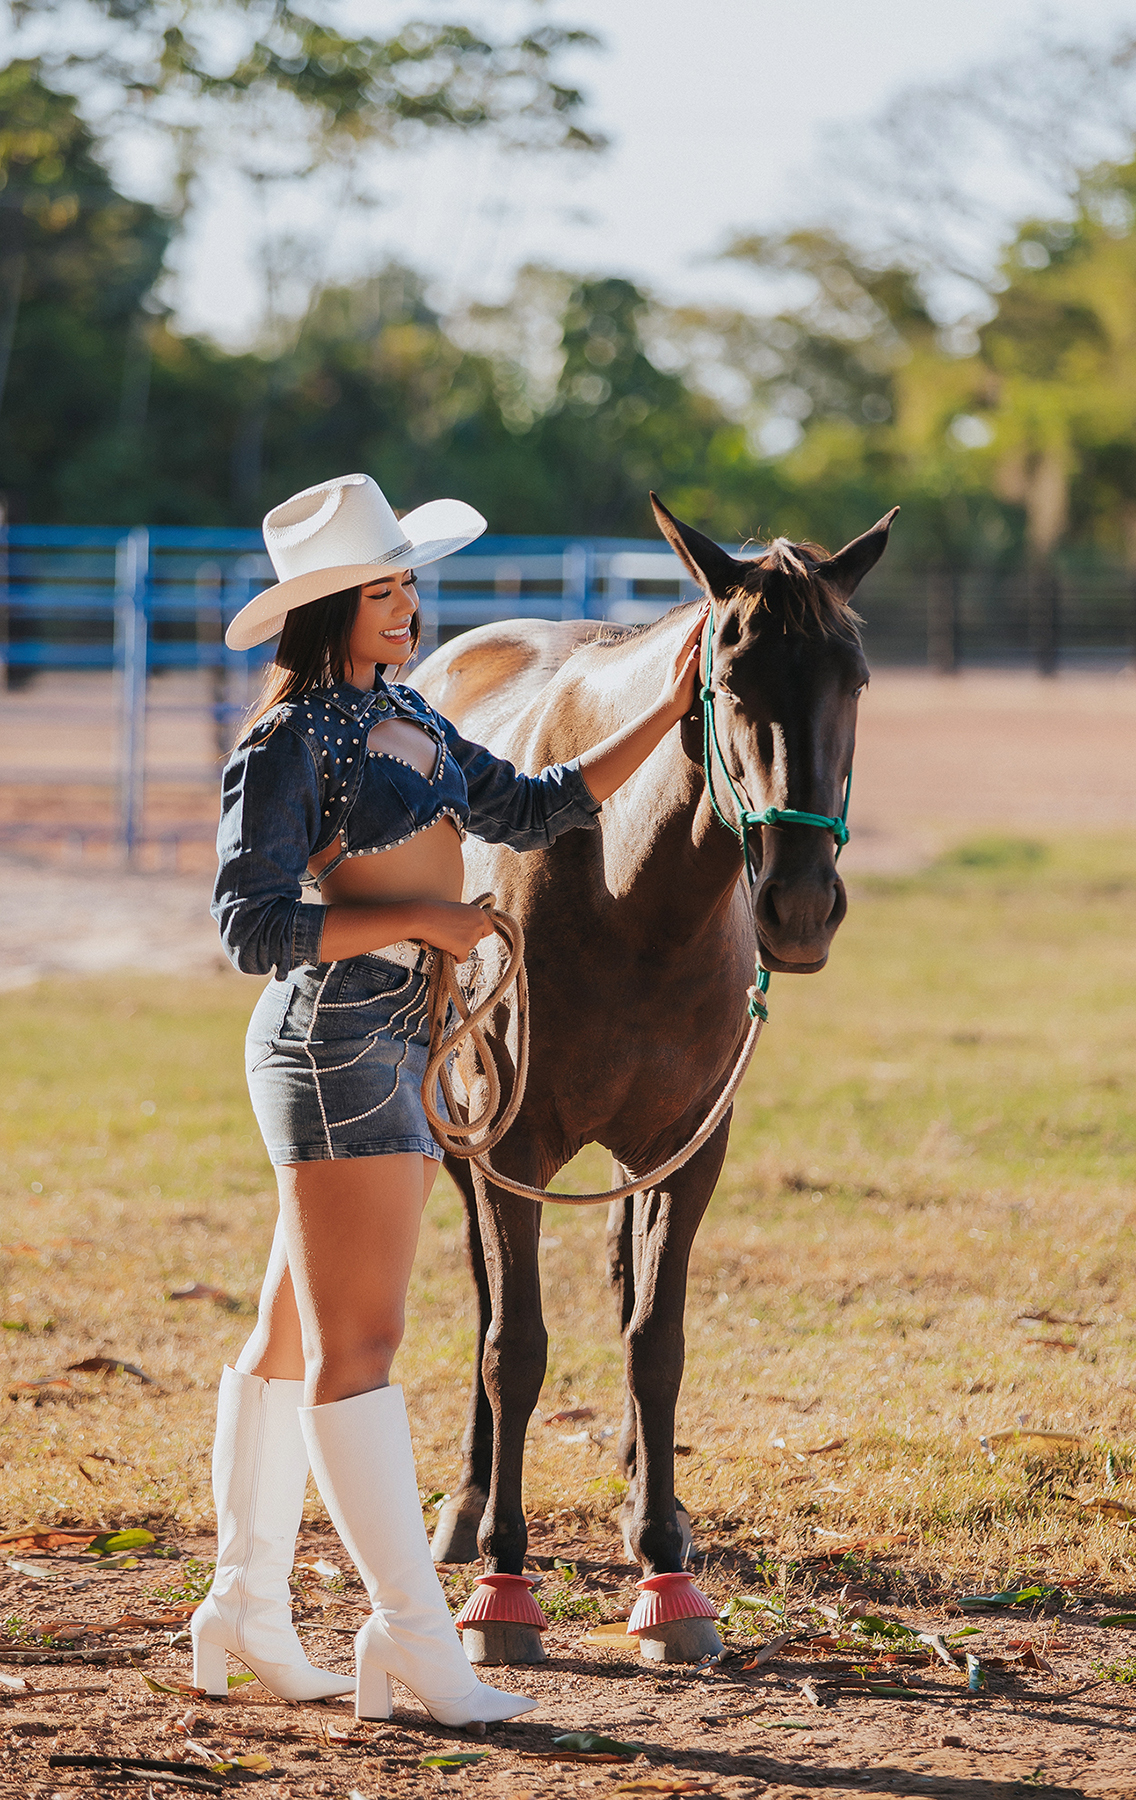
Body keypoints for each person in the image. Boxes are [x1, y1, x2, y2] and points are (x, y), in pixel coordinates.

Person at [197, 473, 704, 1724]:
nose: (407, 608)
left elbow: (535, 807)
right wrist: (428, 916)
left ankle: (244, 1612)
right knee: (359, 1352)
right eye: (382, 591)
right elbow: (250, 923)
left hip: (395, 1038)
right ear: (327, 611)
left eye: (409, 584)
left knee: (290, 1341)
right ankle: (416, 1638)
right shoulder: (287, 742)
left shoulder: (413, 722)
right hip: (336, 1042)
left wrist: (668, 707)